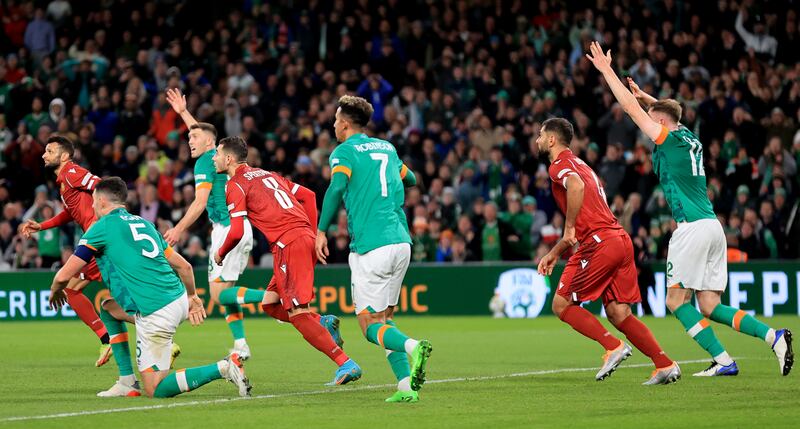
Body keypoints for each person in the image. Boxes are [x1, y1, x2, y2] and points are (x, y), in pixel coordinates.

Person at [586, 40, 792, 376]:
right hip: (713, 228)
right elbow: (671, 112)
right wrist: (648, 99)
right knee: (709, 304)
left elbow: (631, 110)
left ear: (662, 124)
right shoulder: (689, 138)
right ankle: (773, 337)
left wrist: (607, 71)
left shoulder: (667, 137)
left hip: (691, 229)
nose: (647, 126)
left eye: (653, 120)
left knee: (674, 302)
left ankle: (724, 360)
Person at [49, 177, 250, 397]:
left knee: (156, 389)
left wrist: (56, 289)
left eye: (94, 202)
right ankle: (126, 381)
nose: (93, 207)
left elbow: (64, 275)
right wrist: (192, 298)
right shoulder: (143, 223)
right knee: (109, 308)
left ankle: (224, 367)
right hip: (178, 298)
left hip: (156, 310)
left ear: (102, 201)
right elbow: (185, 267)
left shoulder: (102, 228)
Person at [536, 117, 679, 385]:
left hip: (598, 242)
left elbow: (575, 187)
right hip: (619, 240)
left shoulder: (558, 166)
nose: (537, 140)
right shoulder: (584, 165)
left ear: (552, 139)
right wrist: (558, 249)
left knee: (561, 304)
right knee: (618, 313)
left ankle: (613, 346)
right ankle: (665, 364)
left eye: (541, 135)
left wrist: (567, 233)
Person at [212, 136, 361, 386]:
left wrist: (220, 252)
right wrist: (314, 235)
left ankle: (345, 363)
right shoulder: (267, 174)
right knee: (270, 303)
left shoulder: (235, 185)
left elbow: (236, 231)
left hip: (288, 244)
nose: (214, 158)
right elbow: (310, 196)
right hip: (301, 238)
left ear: (229, 158)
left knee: (298, 314)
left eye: (217, 153)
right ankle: (323, 322)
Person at [315, 95, 432, 403]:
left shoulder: (344, 152)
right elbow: (412, 178)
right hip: (401, 241)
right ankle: (405, 385)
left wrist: (321, 230)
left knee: (368, 327)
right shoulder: (387, 147)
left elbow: (337, 187)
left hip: (372, 246)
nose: (333, 124)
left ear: (344, 123)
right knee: (384, 318)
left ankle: (412, 346)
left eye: (336, 119)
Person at [162, 88, 258, 359]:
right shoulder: (216, 154)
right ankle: (241, 344)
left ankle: (274, 298)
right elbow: (200, 132)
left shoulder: (205, 163)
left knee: (217, 295)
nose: (188, 140)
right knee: (226, 292)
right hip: (241, 225)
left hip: (228, 229)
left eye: (193, 137)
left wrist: (179, 229)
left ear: (208, 143)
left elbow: (200, 202)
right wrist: (182, 112)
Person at [19, 136, 110, 366]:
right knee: (79, 290)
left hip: (97, 239)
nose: (43, 155)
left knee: (75, 289)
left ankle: (113, 340)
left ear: (65, 156)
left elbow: (102, 186)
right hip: (98, 240)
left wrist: (102, 222)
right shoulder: (64, 183)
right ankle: (113, 340)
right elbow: (70, 213)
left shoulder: (72, 172)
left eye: (49, 151)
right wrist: (42, 225)